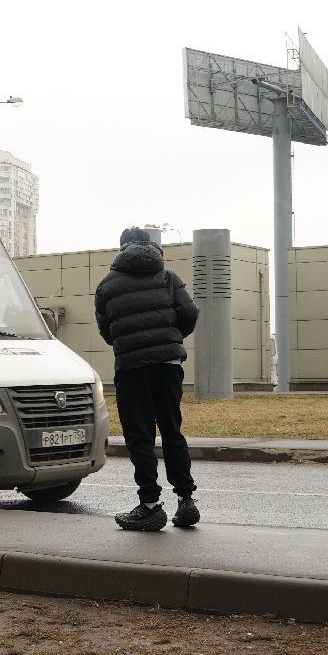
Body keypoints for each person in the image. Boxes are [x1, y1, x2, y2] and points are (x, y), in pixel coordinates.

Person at [94, 226, 200, 531]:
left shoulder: (107, 285)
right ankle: (185, 500)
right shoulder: (169, 278)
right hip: (168, 364)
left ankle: (151, 506)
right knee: (171, 429)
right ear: (151, 246)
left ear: (121, 248)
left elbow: (106, 330)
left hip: (131, 367)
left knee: (140, 435)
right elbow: (190, 313)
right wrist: (170, 338)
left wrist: (130, 342)